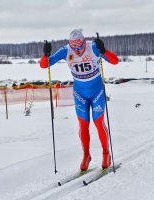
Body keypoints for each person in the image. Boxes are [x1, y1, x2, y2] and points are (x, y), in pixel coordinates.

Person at [40, 29, 119, 171]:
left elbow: (115, 61)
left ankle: (106, 153)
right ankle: (86, 155)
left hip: (96, 90)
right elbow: (44, 65)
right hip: (80, 93)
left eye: (80, 47)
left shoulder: (93, 47)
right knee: (83, 125)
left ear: (84, 43)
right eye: (74, 48)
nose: (77, 51)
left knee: (98, 122)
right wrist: (45, 54)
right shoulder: (66, 51)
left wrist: (103, 50)